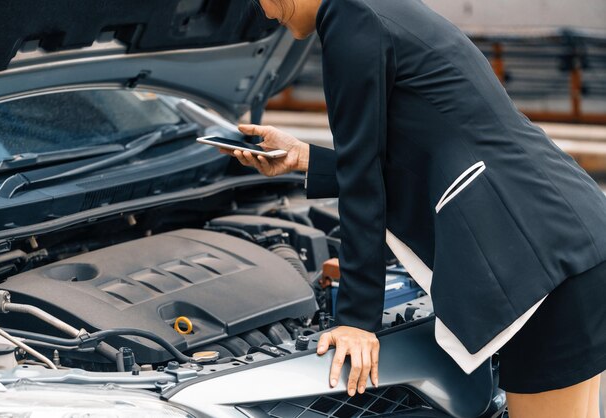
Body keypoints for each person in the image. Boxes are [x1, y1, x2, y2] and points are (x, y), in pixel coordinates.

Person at [221, 0, 606, 416]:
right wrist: (307, 159)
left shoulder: (350, 21)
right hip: (568, 232)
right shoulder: (374, 7)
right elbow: (424, 147)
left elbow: (363, 181)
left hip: (538, 264)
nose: (260, 9)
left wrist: (355, 320)